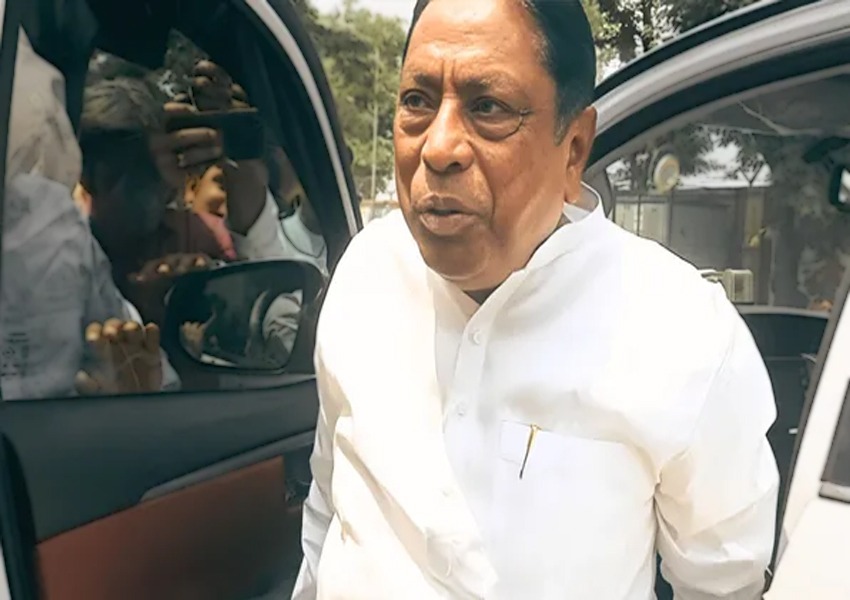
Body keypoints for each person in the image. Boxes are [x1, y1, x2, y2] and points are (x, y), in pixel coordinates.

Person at [292, 1, 779, 599]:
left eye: (488, 108)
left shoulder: (680, 330)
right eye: (417, 101)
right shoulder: (366, 272)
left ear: (573, 149)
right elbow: (329, 506)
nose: (438, 147)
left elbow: (723, 586)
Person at [2, 29, 178, 399]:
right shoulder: (55, 228)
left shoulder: (55, 230)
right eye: (149, 180)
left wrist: (132, 380)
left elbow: (146, 371)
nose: (167, 196)